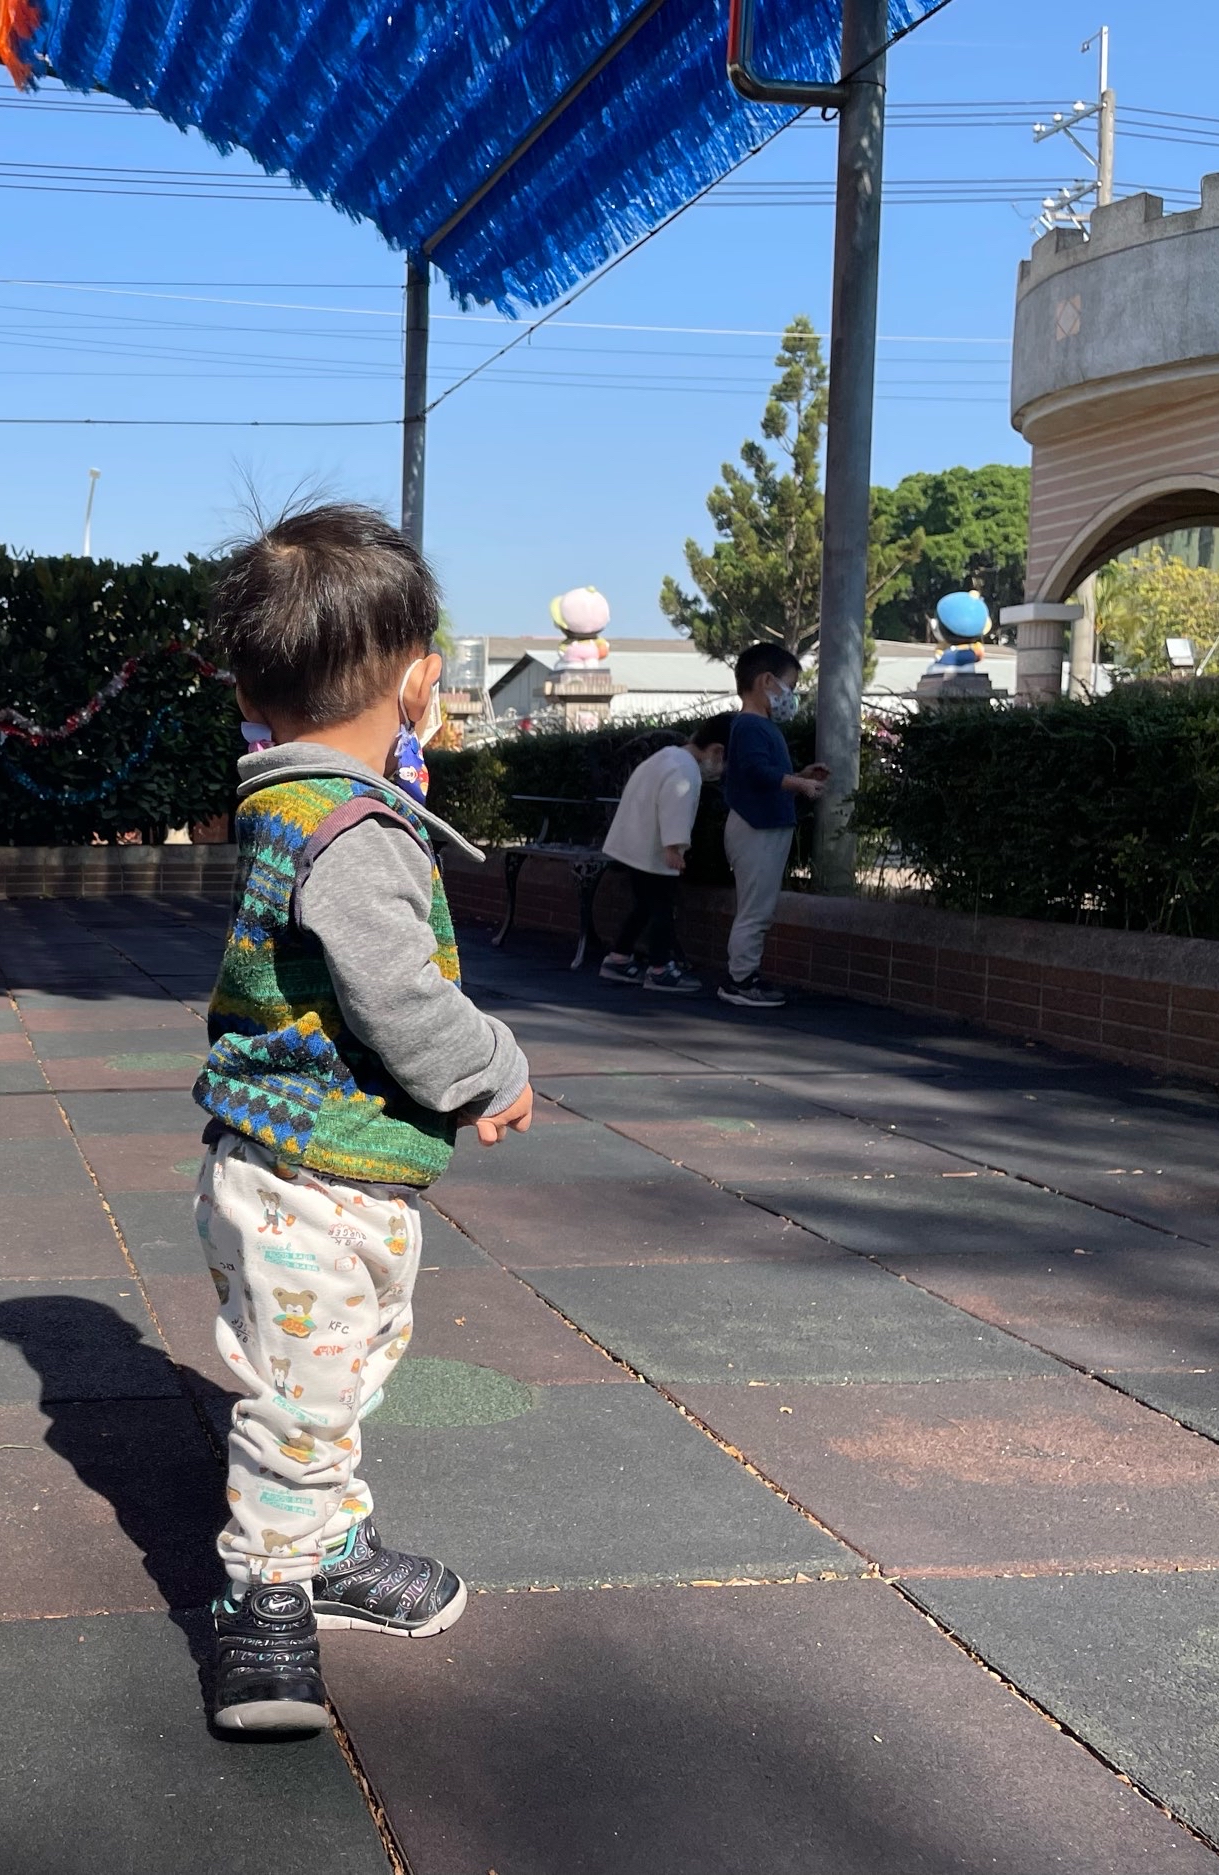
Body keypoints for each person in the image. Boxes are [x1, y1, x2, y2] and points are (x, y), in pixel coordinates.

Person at [191, 503, 532, 1737]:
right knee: (299, 1401)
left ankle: (327, 1548)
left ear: (251, 688)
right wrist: (491, 1068)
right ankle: (264, 1605)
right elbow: (400, 997)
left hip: (297, 1166)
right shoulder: (354, 828)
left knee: (333, 1374)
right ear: (417, 681)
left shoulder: (289, 798)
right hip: (312, 1182)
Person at [719, 643, 829, 1009]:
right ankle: (741, 980)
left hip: (760, 826)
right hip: (758, 828)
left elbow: (761, 776)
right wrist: (799, 784)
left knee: (756, 908)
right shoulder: (752, 726)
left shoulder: (754, 726)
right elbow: (756, 772)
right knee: (756, 911)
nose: (791, 696)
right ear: (767, 681)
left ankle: (743, 976)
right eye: (790, 686)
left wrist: (799, 776)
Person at [596, 716, 731, 994]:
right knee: (662, 910)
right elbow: (675, 808)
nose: (722, 769)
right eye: (725, 761)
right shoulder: (686, 770)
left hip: (634, 844)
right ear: (717, 750)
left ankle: (619, 957)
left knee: (645, 906)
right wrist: (674, 848)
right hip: (654, 851)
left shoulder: (667, 756)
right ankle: (660, 968)